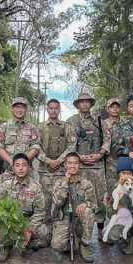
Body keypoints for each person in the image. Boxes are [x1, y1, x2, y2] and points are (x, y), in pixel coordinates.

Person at [0, 153, 48, 262]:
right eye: (17, 165)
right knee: (3, 220)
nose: (21, 168)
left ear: (29, 168)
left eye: (24, 165)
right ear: (13, 168)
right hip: (11, 220)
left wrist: (30, 228)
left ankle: (29, 243)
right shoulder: (6, 185)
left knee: (43, 230)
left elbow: (40, 212)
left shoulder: (36, 187)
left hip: (27, 220)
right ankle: (5, 246)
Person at [67, 92, 108, 234]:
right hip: (80, 167)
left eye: (87, 102)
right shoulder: (71, 121)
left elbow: (107, 139)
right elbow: (69, 142)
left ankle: (101, 229)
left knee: (100, 197)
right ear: (78, 105)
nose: (84, 104)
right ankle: (79, 232)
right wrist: (79, 157)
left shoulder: (99, 120)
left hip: (97, 167)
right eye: (81, 102)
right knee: (79, 198)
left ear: (90, 104)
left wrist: (99, 154)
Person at [37, 98, 76, 242]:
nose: (53, 110)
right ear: (47, 109)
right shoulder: (40, 127)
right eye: (50, 108)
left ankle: (62, 233)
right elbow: (35, 146)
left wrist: (59, 160)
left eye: (56, 108)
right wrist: (48, 161)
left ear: (59, 110)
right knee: (46, 203)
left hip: (61, 171)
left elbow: (72, 145)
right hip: (45, 171)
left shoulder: (67, 126)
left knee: (62, 201)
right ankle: (46, 234)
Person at [51, 152, 96, 263]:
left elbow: (94, 204)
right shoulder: (59, 182)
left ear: (79, 165)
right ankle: (72, 241)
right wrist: (66, 182)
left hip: (80, 218)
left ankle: (84, 244)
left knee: (88, 212)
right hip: (64, 218)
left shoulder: (86, 184)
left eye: (75, 163)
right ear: (65, 165)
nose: (72, 166)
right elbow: (57, 202)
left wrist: (86, 204)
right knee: (57, 245)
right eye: (69, 163)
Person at [0, 97, 40, 173]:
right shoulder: (4, 127)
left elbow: (36, 146)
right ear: (12, 109)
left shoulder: (32, 128)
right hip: (8, 170)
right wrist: (11, 162)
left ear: (26, 109)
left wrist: (24, 162)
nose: (19, 110)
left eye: (22, 107)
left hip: (27, 170)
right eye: (17, 107)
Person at [102, 97, 123, 195]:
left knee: (126, 188)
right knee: (112, 189)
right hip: (109, 162)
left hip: (124, 160)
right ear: (107, 109)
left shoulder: (126, 123)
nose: (115, 109)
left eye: (117, 107)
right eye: (112, 107)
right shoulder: (102, 124)